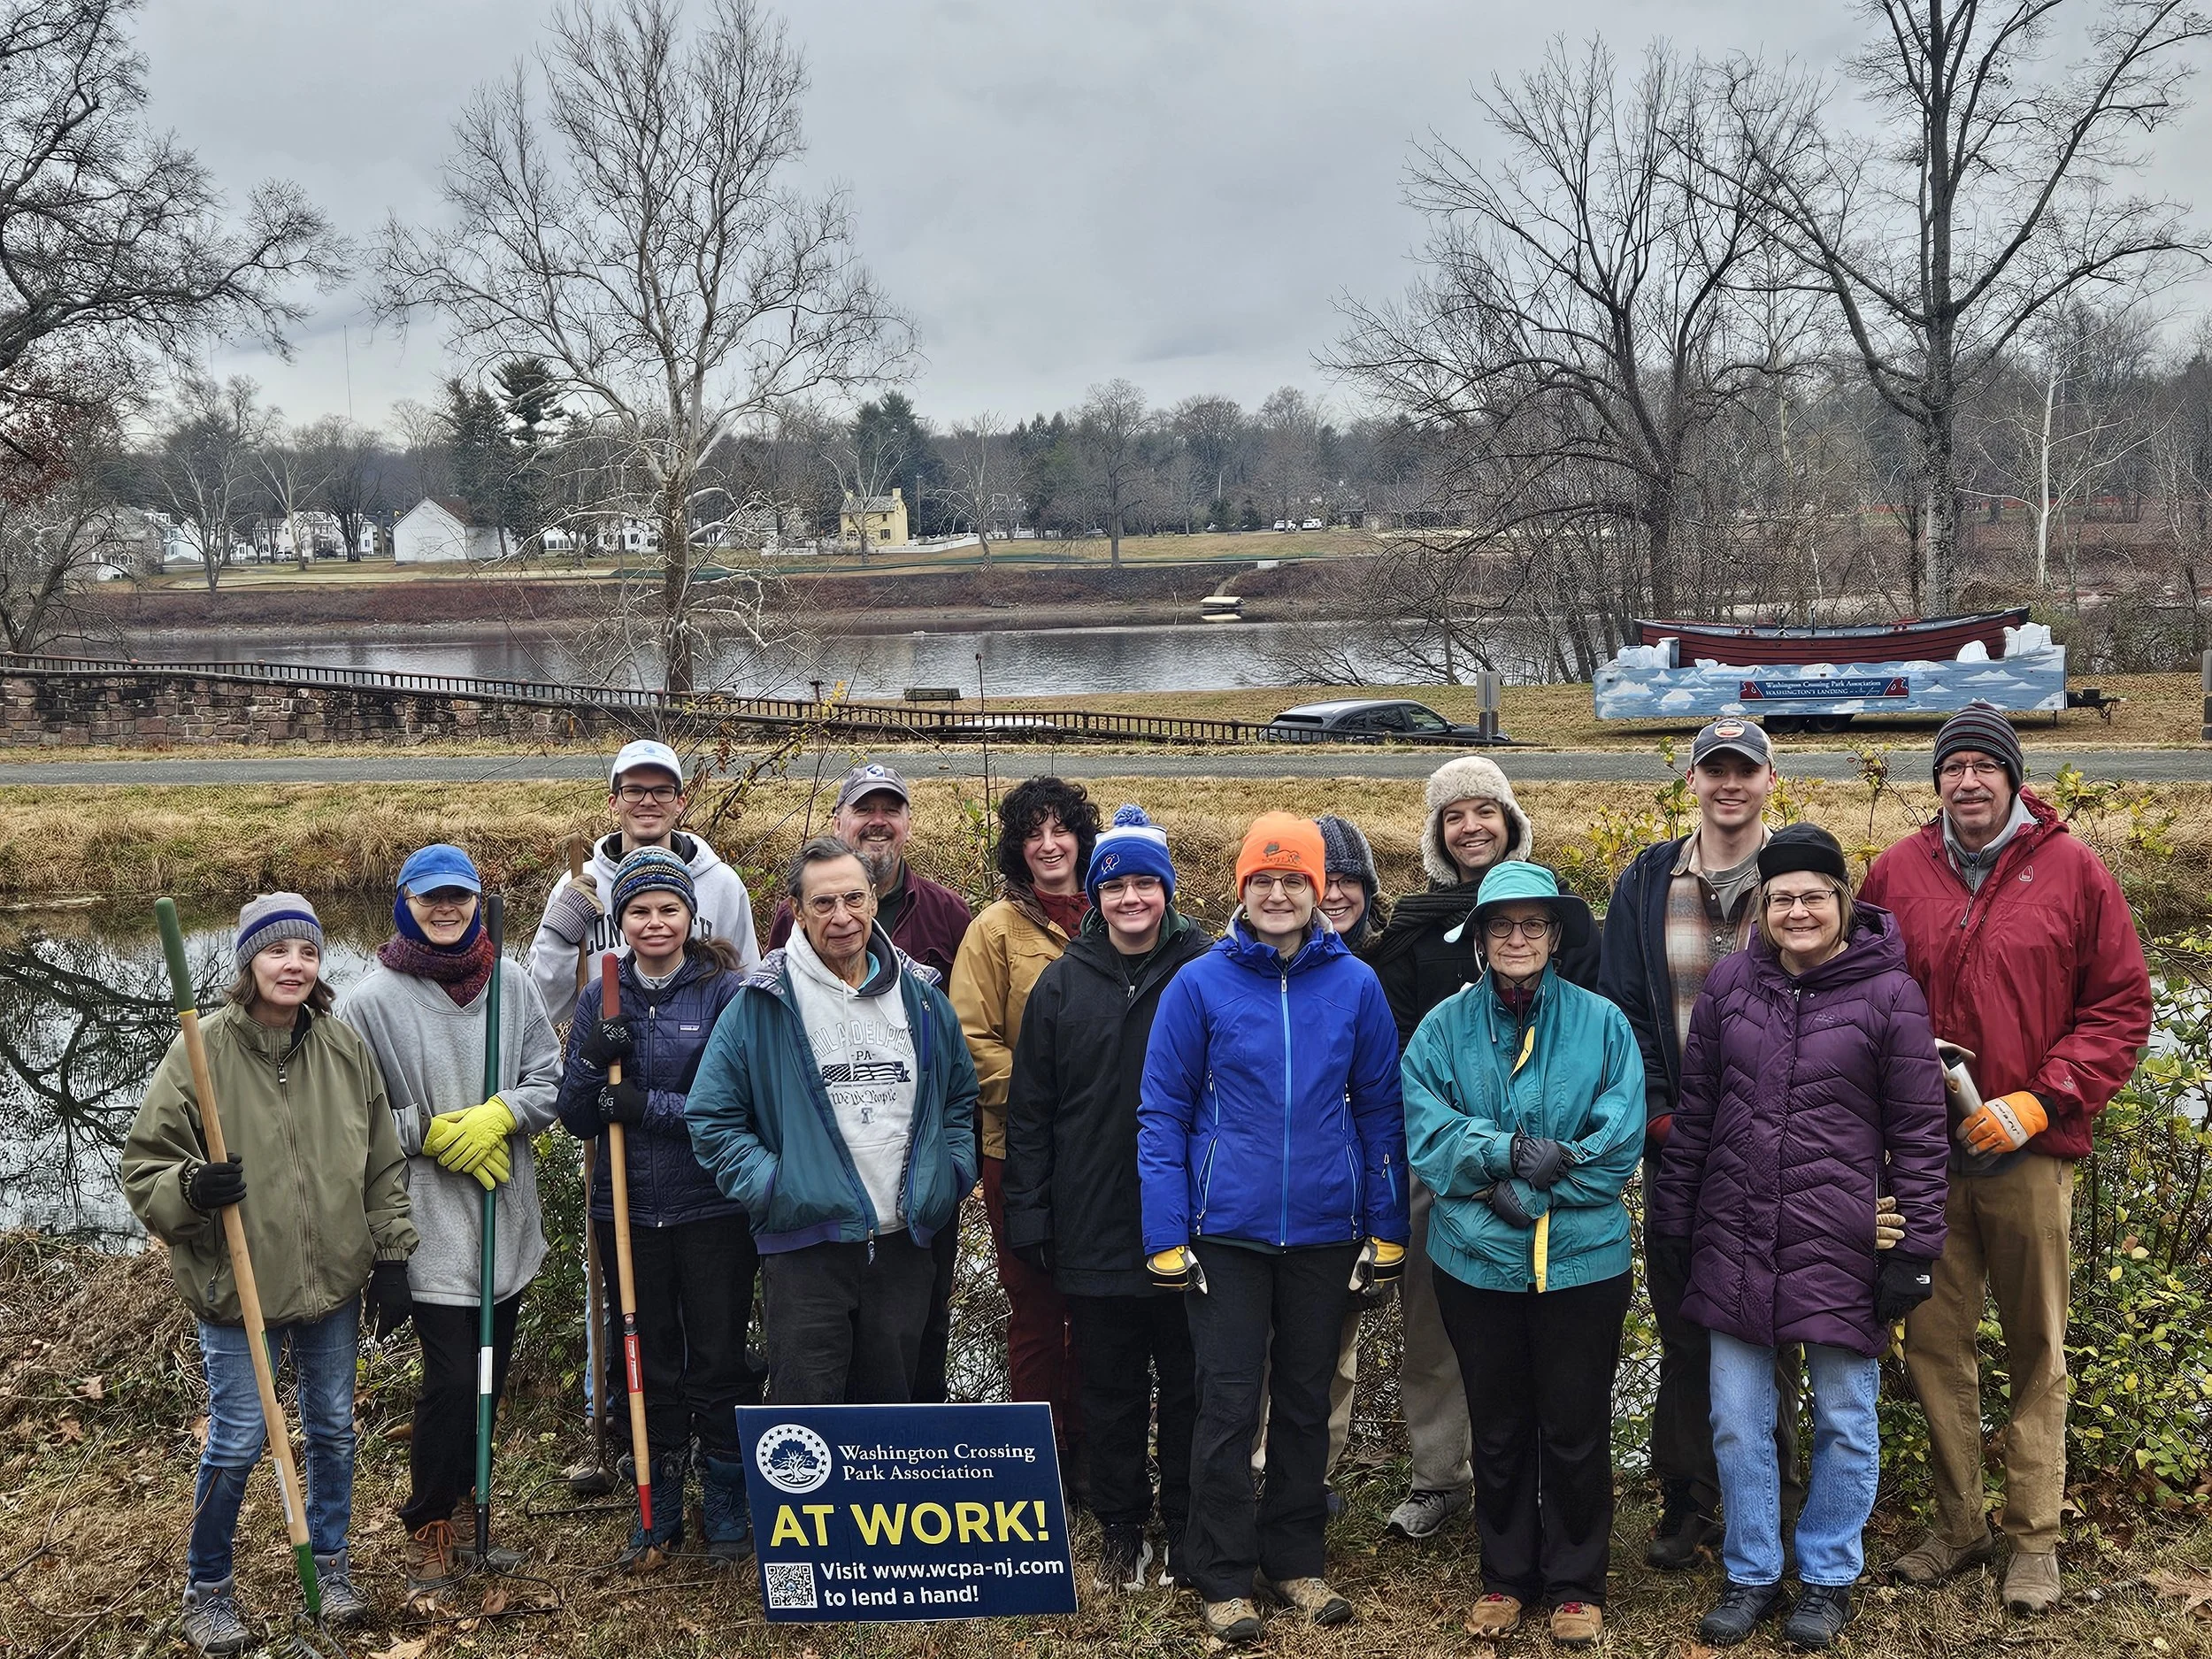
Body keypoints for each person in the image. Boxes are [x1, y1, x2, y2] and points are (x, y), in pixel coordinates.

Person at [1860, 707, 2151, 1615]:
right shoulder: (1895, 874)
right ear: (1936, 782)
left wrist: (2041, 1098)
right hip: (1922, 1157)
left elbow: (2119, 1008)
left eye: (1988, 767)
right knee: (1934, 1347)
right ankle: (1959, 1524)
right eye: (1955, 769)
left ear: (2014, 779)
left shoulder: (2072, 871)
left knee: (2037, 1348)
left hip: (2028, 1153)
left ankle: (2032, 1538)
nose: (1970, 782)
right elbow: (1855, 1004)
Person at [1649, 825, 1949, 1650]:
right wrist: (1674, 1220)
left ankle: (1825, 1575)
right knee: (1739, 1418)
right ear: (1764, 907)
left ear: (1843, 901)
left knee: (1846, 1417)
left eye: (1814, 894)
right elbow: (1700, 1114)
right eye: (1782, 897)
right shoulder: (1729, 988)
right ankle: (1751, 1571)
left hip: (1844, 1243)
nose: (1798, 910)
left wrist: (1915, 1248)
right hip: (1736, 1236)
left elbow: (1921, 1132)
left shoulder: (1890, 995)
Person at [1139, 813, 1408, 1646]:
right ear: (1241, 888)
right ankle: (1220, 1571)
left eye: (1297, 880)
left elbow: (1380, 1112)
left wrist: (1387, 1227)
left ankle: (1293, 1556)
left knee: (1303, 1400)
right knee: (1225, 1405)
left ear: (1322, 890)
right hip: (1227, 1232)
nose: (1281, 893)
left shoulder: (1355, 985)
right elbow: (1163, 1113)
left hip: (1327, 1229)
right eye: (1265, 879)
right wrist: (1165, 1231)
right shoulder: (1200, 984)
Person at [123, 895, 417, 1654]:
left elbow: (383, 1162)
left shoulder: (344, 1049)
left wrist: (390, 1256)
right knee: (238, 1439)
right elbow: (144, 1164)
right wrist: (191, 1187)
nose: (294, 965)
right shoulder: (203, 1048)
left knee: (331, 1432)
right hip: (237, 1290)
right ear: (249, 963)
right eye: (278, 951)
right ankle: (208, 1588)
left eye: (309, 953)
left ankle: (332, 1567)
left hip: (332, 1288)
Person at [1399, 861, 1643, 1649]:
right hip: (1475, 1262)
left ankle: (1575, 1582)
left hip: (1583, 1261)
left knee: (1574, 1422)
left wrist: (1536, 1188)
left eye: (1533, 924)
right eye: (1501, 924)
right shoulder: (1441, 1028)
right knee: (1498, 1424)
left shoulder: (1604, 1024)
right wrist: (1504, 1153)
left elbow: (1619, 1142)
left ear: (1557, 936)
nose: (1517, 937)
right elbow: (1428, 1133)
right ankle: (1506, 1574)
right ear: (1478, 938)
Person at [1366, 756, 1594, 1543]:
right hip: (1445, 1160)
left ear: (1510, 821)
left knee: (1547, 1333)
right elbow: (1392, 1049)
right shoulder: (1414, 926)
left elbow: (1593, 1032)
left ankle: (1535, 1479)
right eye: (1454, 815)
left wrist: (1541, 1153)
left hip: (1550, 1160)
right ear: (1437, 832)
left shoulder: (1550, 911)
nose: (1471, 826)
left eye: (1484, 811)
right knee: (1438, 1329)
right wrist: (1469, 1154)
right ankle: (1440, 1477)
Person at [1597, 717, 1801, 1568]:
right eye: (1714, 770)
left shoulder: (1800, 878)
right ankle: (1685, 1500)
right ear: (1692, 780)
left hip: (1782, 1149)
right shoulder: (1647, 880)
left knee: (1777, 1322)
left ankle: (1772, 1497)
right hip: (1676, 1143)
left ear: (1768, 778)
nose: (1729, 785)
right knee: (1684, 1327)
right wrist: (1658, 1118)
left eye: (1743, 771)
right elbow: (1622, 1010)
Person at [335, 845, 565, 1594]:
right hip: (427, 1229)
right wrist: (430, 1132)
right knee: (451, 1378)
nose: (447, 910)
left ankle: (473, 1505)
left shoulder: (514, 982)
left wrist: (501, 1112)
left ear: (476, 901)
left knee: (489, 1375)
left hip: (506, 1220)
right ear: (405, 900)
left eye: (460, 897)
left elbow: (548, 1083)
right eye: (431, 897)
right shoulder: (370, 1000)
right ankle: (429, 1520)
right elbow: (351, 1116)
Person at [689, 837, 980, 1406]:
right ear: (797, 911)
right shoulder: (762, 1003)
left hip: (905, 1242)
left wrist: (950, 1172)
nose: (841, 917)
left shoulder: (922, 998)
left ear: (874, 899)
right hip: (805, 1247)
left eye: (854, 899)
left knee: (893, 1425)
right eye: (823, 904)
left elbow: (960, 1100)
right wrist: (777, 1186)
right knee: (810, 1423)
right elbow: (712, 1116)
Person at [1002, 805, 1210, 1593]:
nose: (1130, 899)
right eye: (1115, 885)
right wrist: (1032, 1213)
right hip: (1090, 1219)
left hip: (1187, 1220)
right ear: (1096, 895)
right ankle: (1121, 1521)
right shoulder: (1063, 982)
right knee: (1111, 1385)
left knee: (1190, 1382)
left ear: (1167, 891)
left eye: (1144, 884)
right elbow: (1031, 1112)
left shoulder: (1205, 970)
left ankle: (1189, 1521)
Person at [554, 849, 758, 1568]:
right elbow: (577, 1117)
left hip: (711, 1209)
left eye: (668, 908)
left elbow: (732, 1106)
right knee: (647, 1355)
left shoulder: (726, 990)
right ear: (620, 921)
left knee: (718, 1356)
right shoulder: (600, 996)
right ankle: (658, 1501)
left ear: (689, 914)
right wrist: (589, 1062)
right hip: (629, 1209)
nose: (655, 922)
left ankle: (727, 1501)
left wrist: (648, 1105)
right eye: (639, 910)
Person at [766, 762, 976, 1400]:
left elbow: (958, 1069)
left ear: (908, 824)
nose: (878, 820)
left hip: (913, 1205)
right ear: (840, 820)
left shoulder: (948, 915)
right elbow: (758, 1072)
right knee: (815, 1365)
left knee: (913, 1348)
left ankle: (914, 1477)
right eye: (865, 808)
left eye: (892, 809)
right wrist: (776, 1182)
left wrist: (951, 1169)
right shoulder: (786, 926)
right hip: (815, 1214)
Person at [950, 777, 1102, 1491]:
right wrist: (1047, 1098)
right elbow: (969, 1039)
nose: (1048, 844)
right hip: (1019, 1154)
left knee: (1098, 1309)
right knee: (1037, 1310)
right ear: (1017, 846)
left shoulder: (1117, 912)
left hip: (1103, 1157)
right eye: (1032, 833)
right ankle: (1040, 1461)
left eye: (1060, 829)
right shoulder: (994, 930)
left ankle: (1098, 1451)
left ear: (1080, 839)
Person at [527, 738, 762, 1020]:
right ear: (614, 802)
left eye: (662, 791)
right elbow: (539, 1012)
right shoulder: (579, 885)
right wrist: (560, 936)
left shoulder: (722, 884)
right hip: (606, 1059)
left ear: (680, 802)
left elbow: (748, 999)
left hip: (701, 1061)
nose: (648, 801)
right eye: (634, 790)